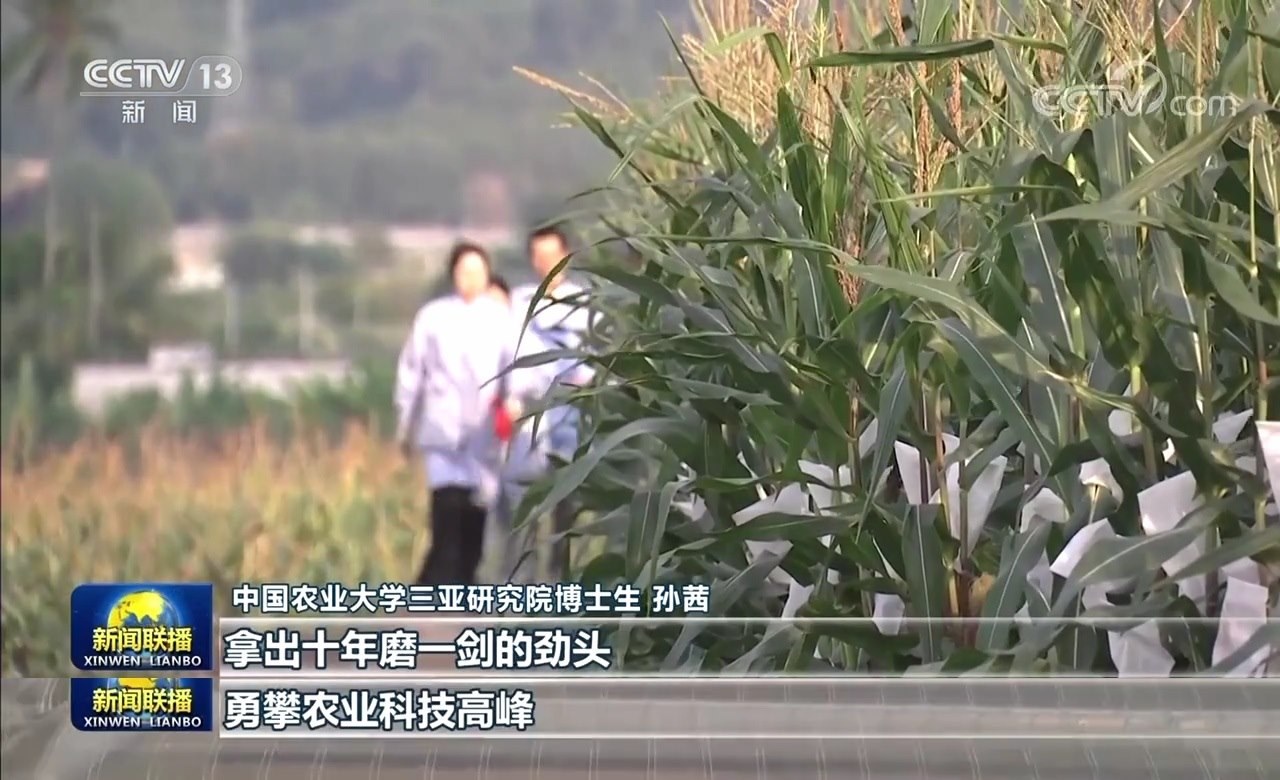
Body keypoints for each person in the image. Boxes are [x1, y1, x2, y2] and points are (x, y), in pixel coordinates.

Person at [395, 242, 513, 586]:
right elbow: (412, 371)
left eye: (478, 272)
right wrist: (405, 422)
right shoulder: (433, 317)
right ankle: (438, 586)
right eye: (464, 272)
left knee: (476, 510)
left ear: (488, 274)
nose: (471, 279)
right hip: (441, 424)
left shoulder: (502, 318)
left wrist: (513, 403)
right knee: (446, 504)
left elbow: (516, 368)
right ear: (453, 275)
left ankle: (465, 580)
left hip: (484, 429)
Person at [505, 225, 594, 580]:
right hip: (529, 413)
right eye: (539, 256)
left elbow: (597, 357)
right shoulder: (520, 302)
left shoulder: (586, 302)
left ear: (566, 256)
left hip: (573, 412)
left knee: (565, 507)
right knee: (524, 504)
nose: (547, 263)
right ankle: (518, 584)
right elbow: (508, 354)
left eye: (553, 255)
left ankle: (559, 582)